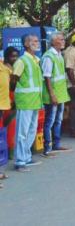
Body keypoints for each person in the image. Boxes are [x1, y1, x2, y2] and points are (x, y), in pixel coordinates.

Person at [11, 35, 43, 172]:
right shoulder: (22, 61)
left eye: (37, 41)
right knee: (22, 132)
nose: (37, 43)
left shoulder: (36, 60)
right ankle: (19, 161)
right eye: (34, 41)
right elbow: (13, 80)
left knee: (31, 130)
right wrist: (16, 97)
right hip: (25, 101)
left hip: (35, 100)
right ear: (26, 44)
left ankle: (26, 157)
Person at [41, 32, 71, 157]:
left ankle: (56, 144)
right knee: (50, 121)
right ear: (53, 42)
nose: (63, 41)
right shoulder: (48, 56)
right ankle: (47, 148)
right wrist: (52, 95)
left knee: (58, 120)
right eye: (60, 39)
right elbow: (47, 77)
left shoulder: (59, 55)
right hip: (53, 95)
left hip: (61, 94)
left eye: (63, 39)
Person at [0, 47, 18, 184]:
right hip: (5, 104)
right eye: (12, 56)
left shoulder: (5, 68)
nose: (15, 59)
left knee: (5, 133)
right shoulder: (4, 68)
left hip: (7, 103)